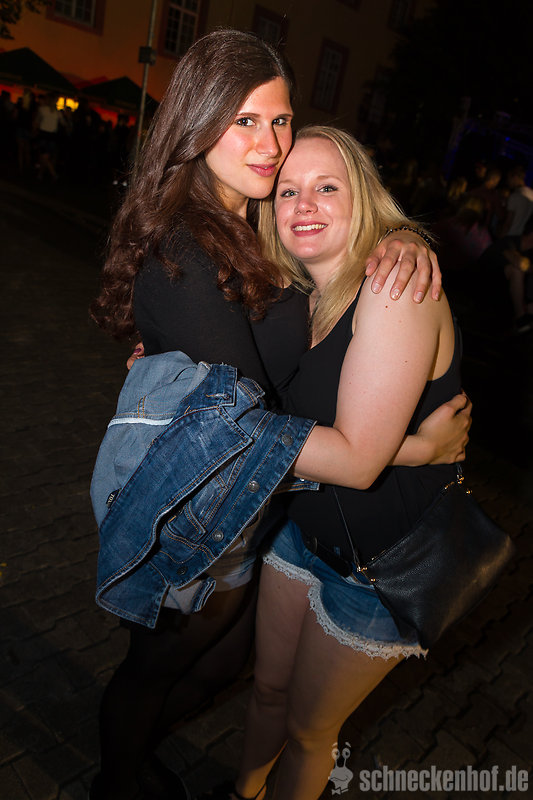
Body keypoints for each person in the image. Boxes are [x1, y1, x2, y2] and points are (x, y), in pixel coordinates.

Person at [90, 30, 470, 800]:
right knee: (157, 667)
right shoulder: (188, 249)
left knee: (222, 663)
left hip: (245, 509)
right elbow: (243, 430)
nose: (268, 145)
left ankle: (136, 759)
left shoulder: (252, 226)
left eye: (279, 119)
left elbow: (331, 228)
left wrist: (396, 237)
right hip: (195, 512)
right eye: (243, 122)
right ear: (197, 125)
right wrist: (409, 450)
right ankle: (118, 783)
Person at [216, 126, 467, 800]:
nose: (303, 204)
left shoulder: (392, 288)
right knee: (268, 692)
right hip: (301, 530)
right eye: (287, 191)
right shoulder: (294, 297)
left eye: (326, 187)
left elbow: (357, 463)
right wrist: (419, 448)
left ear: (363, 199)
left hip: (381, 565)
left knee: (308, 730)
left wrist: (215, 421)